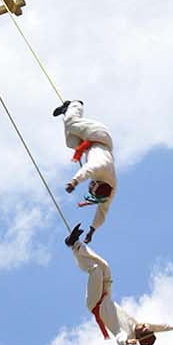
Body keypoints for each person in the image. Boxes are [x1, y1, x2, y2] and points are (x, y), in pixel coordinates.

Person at [66, 225, 173, 345]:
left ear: (139, 335)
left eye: (143, 329)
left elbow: (119, 339)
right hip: (106, 295)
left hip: (96, 303)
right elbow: (161, 327)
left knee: (95, 270)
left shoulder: (127, 334)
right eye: (146, 327)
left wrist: (127, 342)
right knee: (105, 266)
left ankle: (74, 246)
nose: (143, 325)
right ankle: (75, 242)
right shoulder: (142, 326)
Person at [53, 99, 116, 242]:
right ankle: (76, 104)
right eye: (91, 186)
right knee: (71, 123)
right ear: (97, 184)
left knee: (70, 141)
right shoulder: (100, 168)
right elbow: (87, 170)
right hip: (97, 134)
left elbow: (102, 212)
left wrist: (92, 231)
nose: (90, 185)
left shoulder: (110, 189)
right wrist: (74, 182)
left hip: (88, 144)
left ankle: (66, 111)